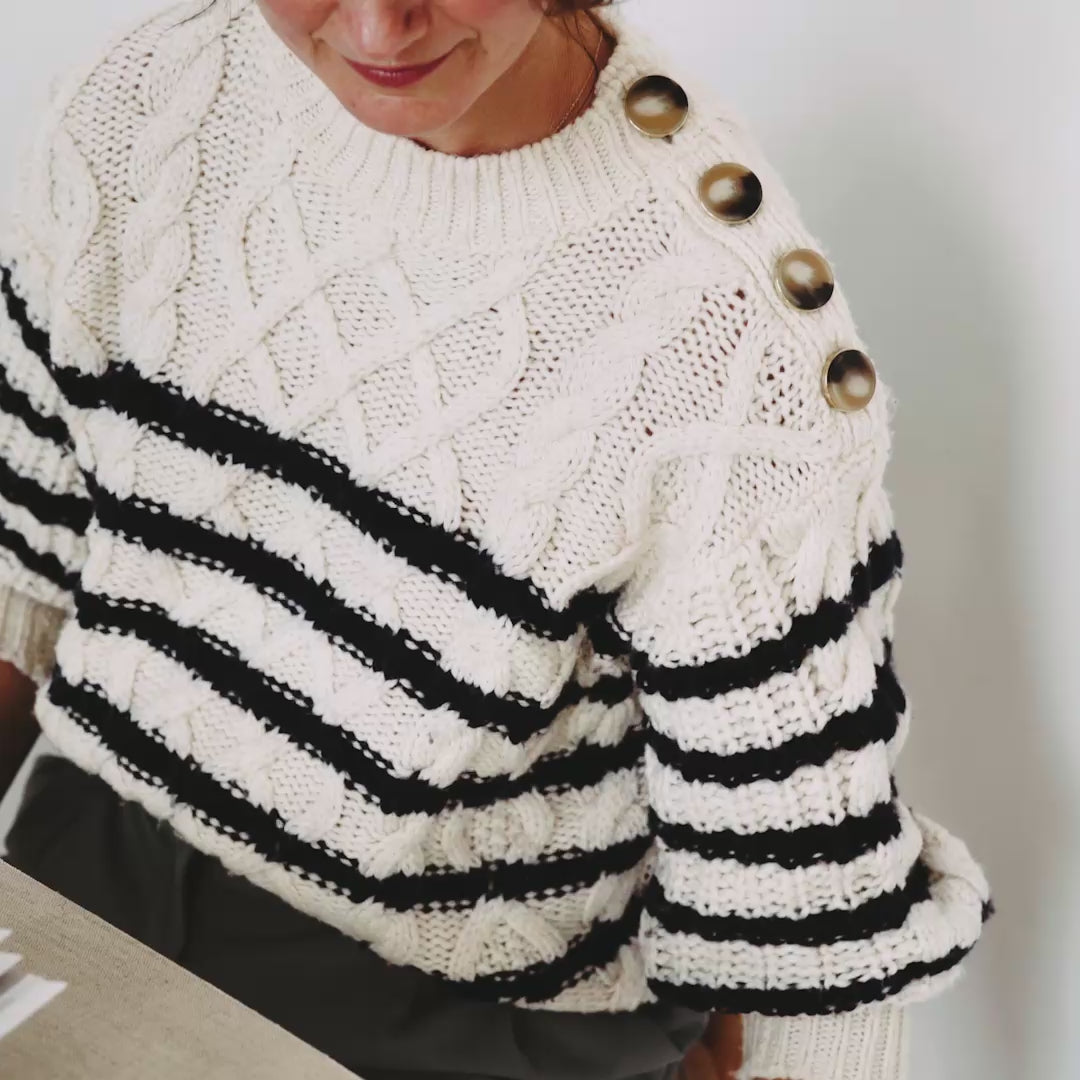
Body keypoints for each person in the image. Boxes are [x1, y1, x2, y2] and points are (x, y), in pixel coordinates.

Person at [0, 1, 995, 1078]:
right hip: (79, 891)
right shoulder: (150, 101)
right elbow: (18, 567)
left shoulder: (726, 335)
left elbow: (808, 937)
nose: (379, 27)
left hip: (440, 1021)